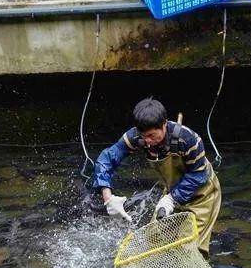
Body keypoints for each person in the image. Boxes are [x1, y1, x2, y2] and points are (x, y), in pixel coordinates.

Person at [92, 97, 221, 256]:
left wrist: (172, 199)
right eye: (143, 136)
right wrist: (107, 196)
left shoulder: (188, 140)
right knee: (153, 244)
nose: (148, 142)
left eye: (152, 135)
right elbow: (106, 159)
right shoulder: (137, 138)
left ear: (164, 124)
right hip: (172, 192)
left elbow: (199, 175)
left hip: (202, 197)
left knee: (190, 251)